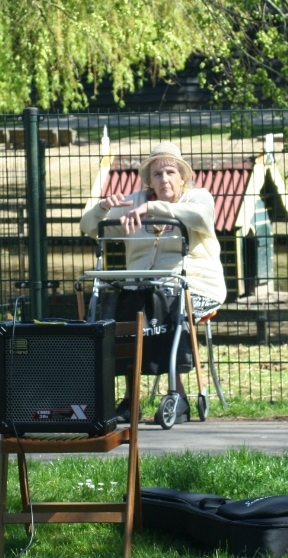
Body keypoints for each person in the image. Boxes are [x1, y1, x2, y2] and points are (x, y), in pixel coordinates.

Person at [80, 142, 227, 421]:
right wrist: (101, 209)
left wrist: (152, 207)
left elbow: (201, 217)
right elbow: (88, 227)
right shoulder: (133, 202)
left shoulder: (198, 197)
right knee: (121, 314)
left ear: (183, 176)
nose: (165, 179)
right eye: (157, 174)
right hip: (141, 287)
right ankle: (129, 400)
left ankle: (177, 394)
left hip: (195, 285)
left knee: (166, 304)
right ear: (149, 179)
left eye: (171, 172)